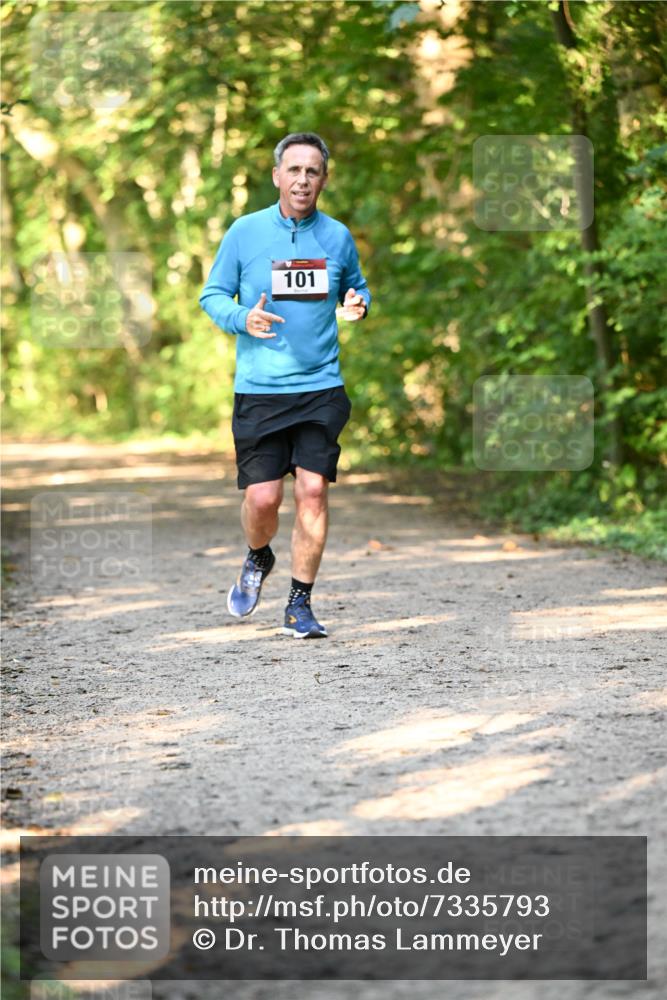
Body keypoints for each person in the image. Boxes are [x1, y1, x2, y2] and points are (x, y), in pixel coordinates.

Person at [199, 132, 371, 638]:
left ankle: (300, 603)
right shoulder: (245, 232)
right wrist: (240, 318)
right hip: (260, 388)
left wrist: (358, 304)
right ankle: (258, 555)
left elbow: (355, 288)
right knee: (262, 500)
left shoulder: (337, 236)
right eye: (293, 170)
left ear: (324, 179)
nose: (302, 179)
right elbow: (212, 295)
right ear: (277, 176)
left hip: (321, 385)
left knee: (313, 490)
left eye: (312, 171)